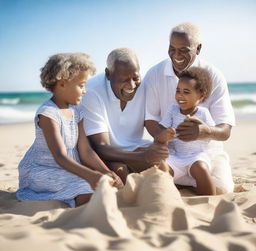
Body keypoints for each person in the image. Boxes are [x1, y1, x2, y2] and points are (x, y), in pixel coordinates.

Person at [16, 53, 123, 208]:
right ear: (62, 83)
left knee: (101, 183)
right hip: (44, 170)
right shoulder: (48, 114)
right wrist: (92, 176)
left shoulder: (76, 112)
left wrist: (105, 172)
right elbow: (60, 157)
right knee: (87, 187)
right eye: (81, 85)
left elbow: (86, 151)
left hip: (69, 168)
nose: (85, 90)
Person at [143, 22, 235, 194]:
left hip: (205, 153)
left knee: (223, 189)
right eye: (172, 48)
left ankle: (187, 182)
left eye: (184, 50)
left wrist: (205, 131)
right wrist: (162, 136)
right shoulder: (154, 74)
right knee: (157, 173)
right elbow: (150, 119)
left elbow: (225, 130)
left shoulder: (214, 76)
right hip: (172, 152)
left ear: (198, 48)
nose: (176, 55)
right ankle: (178, 182)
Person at [81, 48, 169, 183]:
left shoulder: (145, 86)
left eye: (135, 78)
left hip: (135, 149)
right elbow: (101, 146)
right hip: (105, 155)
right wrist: (144, 157)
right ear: (108, 74)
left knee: (162, 166)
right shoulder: (92, 91)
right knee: (120, 170)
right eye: (124, 80)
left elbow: (151, 122)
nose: (132, 85)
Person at [155, 67, 219, 195]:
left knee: (201, 169)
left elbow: (211, 134)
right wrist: (166, 134)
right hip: (175, 155)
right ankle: (167, 194)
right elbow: (160, 132)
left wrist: (203, 130)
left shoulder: (203, 113)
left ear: (200, 96)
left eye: (186, 92)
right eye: (178, 91)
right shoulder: (173, 110)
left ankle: (209, 199)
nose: (180, 95)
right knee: (161, 167)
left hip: (196, 156)